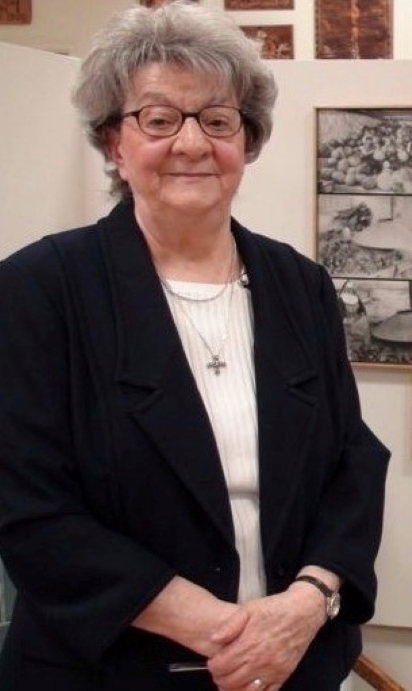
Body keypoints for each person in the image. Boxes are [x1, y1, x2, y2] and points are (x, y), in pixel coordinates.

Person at [0, 4, 390, 690]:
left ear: (247, 140)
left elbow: (352, 463)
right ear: (113, 144)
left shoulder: (300, 285)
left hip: (292, 666)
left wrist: (305, 605)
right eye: (158, 119)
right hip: (106, 674)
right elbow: (28, 508)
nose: (191, 143)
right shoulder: (39, 289)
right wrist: (230, 631)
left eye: (217, 120)